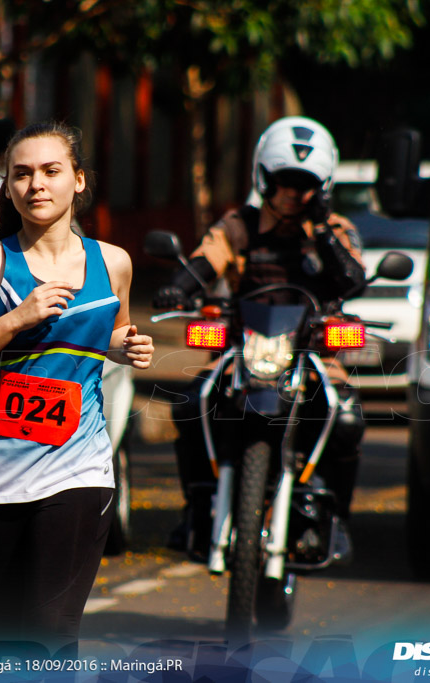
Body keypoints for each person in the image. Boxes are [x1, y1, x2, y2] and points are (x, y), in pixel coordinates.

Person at [0, 122, 154, 661]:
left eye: (51, 171)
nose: (36, 185)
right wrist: (15, 320)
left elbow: (109, 330)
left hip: (78, 469)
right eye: (21, 174)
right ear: (8, 187)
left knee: (51, 633)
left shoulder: (113, 262)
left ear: (79, 180)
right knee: (7, 645)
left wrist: (123, 347)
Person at [153, 116, 367, 559]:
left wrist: (323, 229)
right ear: (264, 177)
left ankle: (336, 519)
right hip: (243, 349)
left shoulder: (337, 229)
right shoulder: (239, 225)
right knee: (191, 403)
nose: (294, 192)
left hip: (312, 353)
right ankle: (196, 507)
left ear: (323, 185)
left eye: (305, 183)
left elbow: (352, 281)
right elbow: (204, 260)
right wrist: (180, 285)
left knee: (346, 418)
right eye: (285, 181)